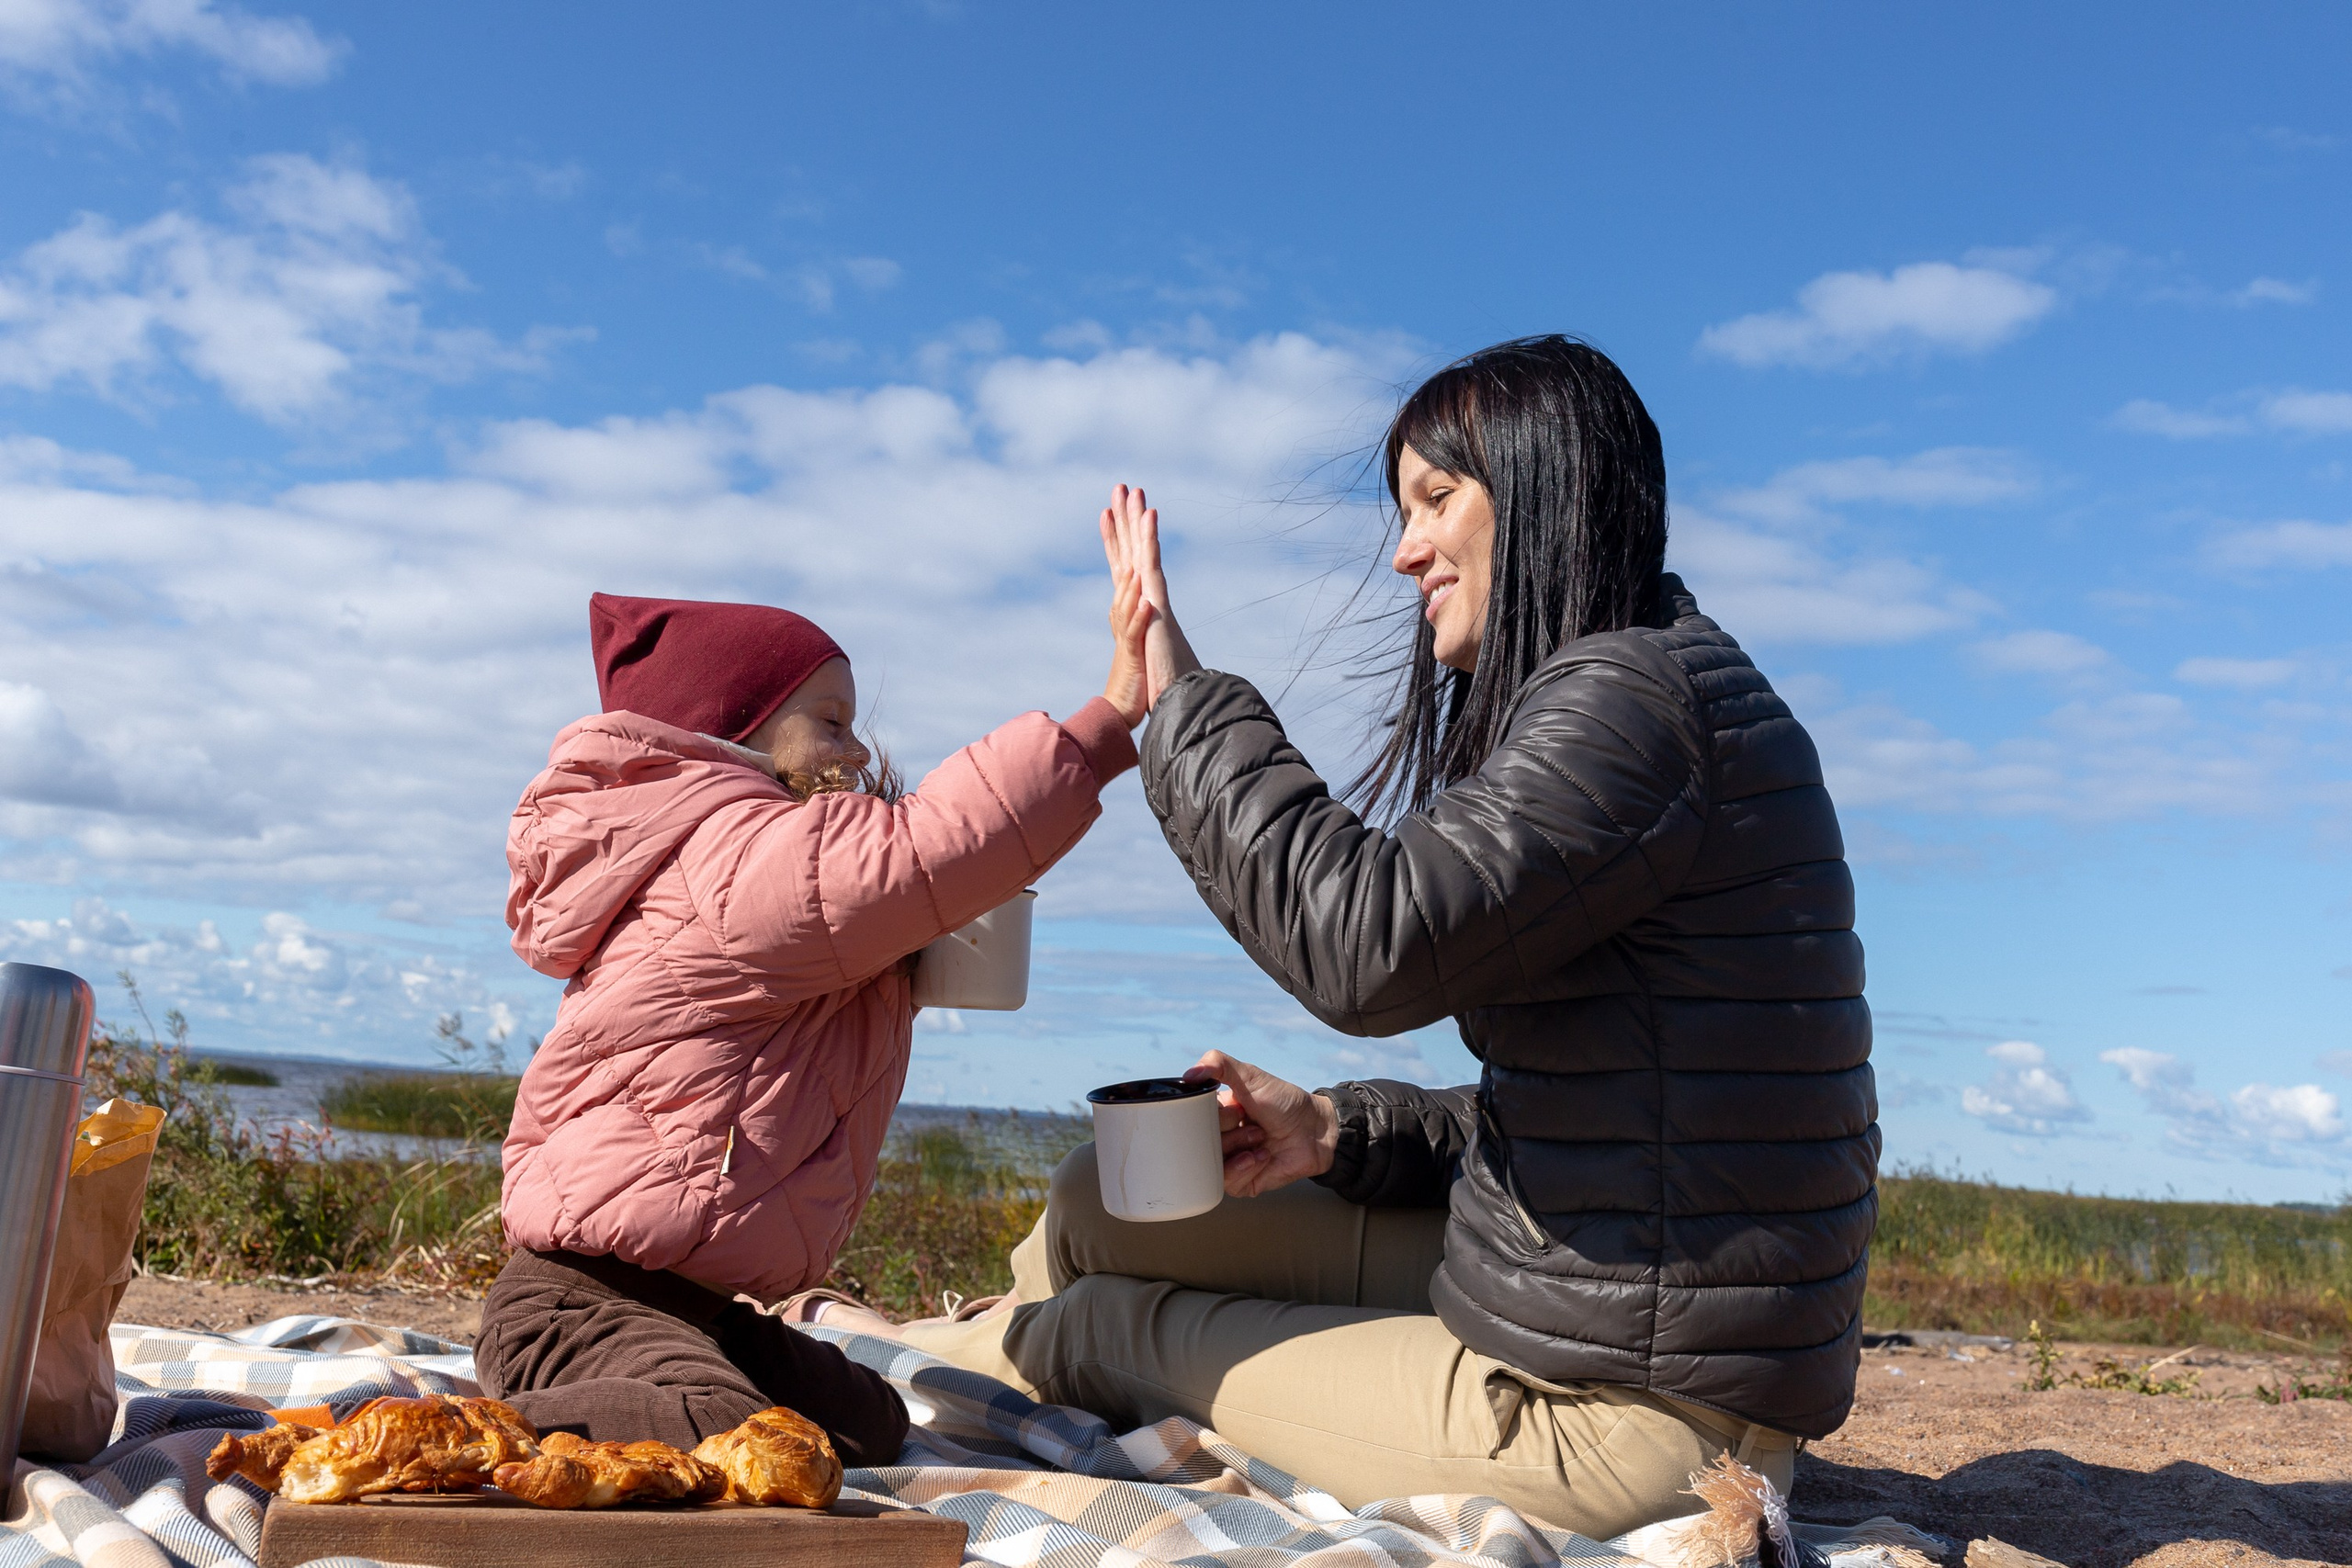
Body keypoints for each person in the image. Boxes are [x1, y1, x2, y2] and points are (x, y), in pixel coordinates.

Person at [902, 336, 1877, 1538]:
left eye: (1435, 498)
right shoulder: (1646, 690)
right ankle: (991, 1342)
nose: (1405, 547)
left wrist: (1178, 691)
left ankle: (951, 1367)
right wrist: (1333, 1129)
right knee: (1101, 1196)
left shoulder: (1632, 709)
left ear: (1544, 491)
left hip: (1641, 1407)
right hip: (1586, 1296)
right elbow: (1635, 1121)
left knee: (1101, 1322)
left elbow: (1362, 938)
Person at [474, 571, 1156, 1463]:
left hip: (697, 1311)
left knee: (865, 1424)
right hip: (576, 1307)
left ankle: (622, 1407)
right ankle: (476, 1441)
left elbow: (884, 890)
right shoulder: (732, 857)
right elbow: (917, 854)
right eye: (830, 723)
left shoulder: (765, 871)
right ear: (732, 737)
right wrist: (1109, 719)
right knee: (738, 1442)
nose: (859, 753)